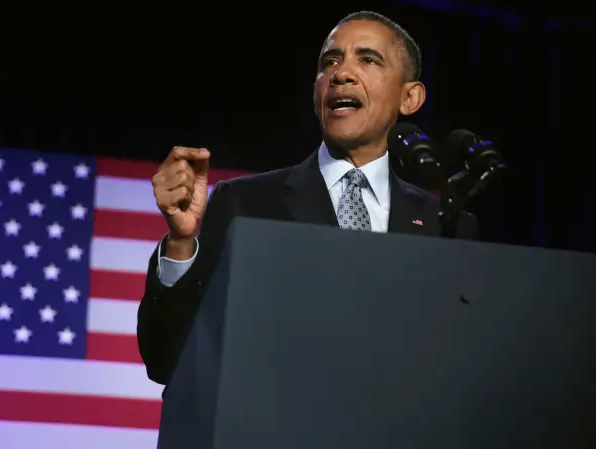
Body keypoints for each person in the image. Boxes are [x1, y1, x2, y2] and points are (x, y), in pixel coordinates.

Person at [136, 11, 479, 387]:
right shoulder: (245, 203)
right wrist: (182, 243)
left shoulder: (445, 224)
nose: (341, 74)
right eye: (329, 62)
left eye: (368, 59)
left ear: (410, 97)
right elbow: (169, 360)